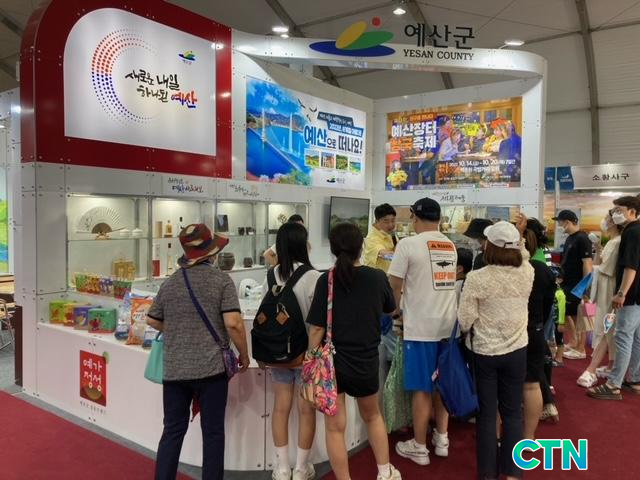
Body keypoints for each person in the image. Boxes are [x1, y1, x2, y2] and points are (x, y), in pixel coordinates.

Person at [146, 224, 250, 480]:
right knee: (213, 433)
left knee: (172, 431)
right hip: (211, 370)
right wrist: (244, 354)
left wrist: (180, 328)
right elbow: (234, 323)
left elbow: (152, 319)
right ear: (212, 252)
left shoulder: (170, 283)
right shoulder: (221, 281)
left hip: (175, 370)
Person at [306, 223, 401, 480]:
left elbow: (317, 328)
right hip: (366, 359)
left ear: (334, 249)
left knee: (335, 428)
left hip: (332, 363)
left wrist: (310, 358)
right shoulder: (377, 277)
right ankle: (385, 473)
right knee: (373, 416)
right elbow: (390, 309)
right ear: (361, 246)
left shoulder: (326, 279)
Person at [458, 219, 534, 480]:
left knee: (487, 415)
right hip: (517, 350)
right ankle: (513, 473)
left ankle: (488, 474)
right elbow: (523, 255)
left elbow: (465, 319)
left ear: (489, 246)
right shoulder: (527, 272)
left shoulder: (477, 278)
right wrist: (518, 238)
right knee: (513, 413)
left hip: (484, 352)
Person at [388, 197, 458, 466]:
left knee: (421, 388)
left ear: (415, 217)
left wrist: (394, 312)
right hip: (448, 327)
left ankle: (419, 446)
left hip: (420, 329)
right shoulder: (449, 244)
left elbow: (394, 286)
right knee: (442, 385)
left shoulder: (408, 244)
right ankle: (442, 439)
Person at [268, 222, 322, 480]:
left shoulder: (272, 274)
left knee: (280, 408)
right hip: (306, 353)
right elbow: (318, 321)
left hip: (278, 351)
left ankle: (281, 468)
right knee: (306, 410)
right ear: (303, 245)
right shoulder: (314, 276)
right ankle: (301, 468)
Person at [588, 196, 640, 400]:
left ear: (632, 211)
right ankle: (634, 379)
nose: (615, 214)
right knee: (635, 338)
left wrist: (621, 293)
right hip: (636, 295)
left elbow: (630, 266)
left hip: (631, 294)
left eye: (619, 210)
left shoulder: (632, 232)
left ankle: (613, 384)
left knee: (623, 337)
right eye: (614, 211)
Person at [577, 212, 621, 388]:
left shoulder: (618, 242)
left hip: (609, 291)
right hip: (603, 290)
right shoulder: (612, 241)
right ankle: (610, 365)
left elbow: (605, 269)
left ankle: (592, 369)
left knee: (606, 327)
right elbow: (599, 264)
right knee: (606, 328)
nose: (605, 221)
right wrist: (597, 248)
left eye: (608, 218)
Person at [522, 228, 556, 440]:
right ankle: (529, 436)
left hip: (509, 333)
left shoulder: (509, 269)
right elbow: (548, 305)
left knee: (500, 386)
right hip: (534, 329)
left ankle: (497, 437)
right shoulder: (542, 269)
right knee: (532, 384)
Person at [552, 210, 593, 361]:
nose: (559, 225)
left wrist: (585, 288)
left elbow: (587, 264)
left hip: (577, 285)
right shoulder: (570, 238)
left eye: (560, 222)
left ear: (567, 222)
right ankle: (574, 341)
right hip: (567, 284)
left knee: (579, 316)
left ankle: (581, 348)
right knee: (567, 313)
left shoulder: (582, 238)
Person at [364, 203, 398, 272]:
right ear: (377, 222)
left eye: (393, 220)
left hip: (389, 275)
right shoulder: (371, 238)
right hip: (375, 277)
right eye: (386, 221)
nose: (391, 225)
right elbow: (384, 254)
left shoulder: (390, 234)